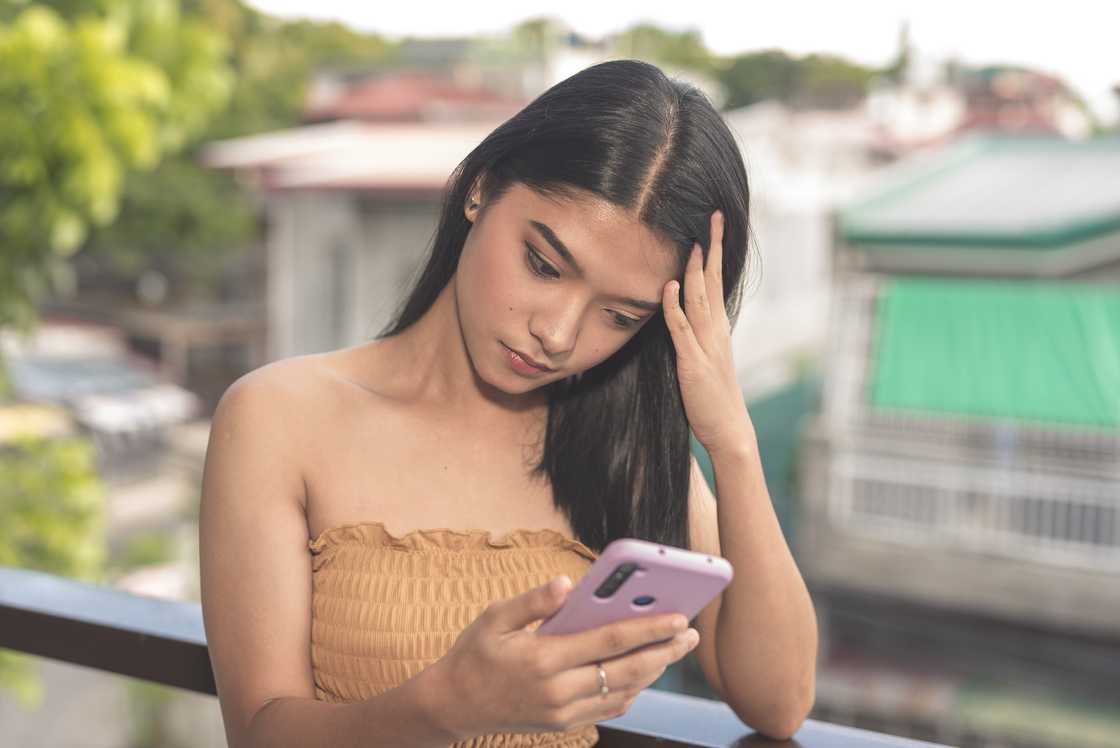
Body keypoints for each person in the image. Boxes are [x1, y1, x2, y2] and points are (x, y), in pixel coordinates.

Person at [199, 58, 816, 748]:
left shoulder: (624, 448)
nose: (557, 334)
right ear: (481, 187)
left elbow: (780, 702)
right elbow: (258, 734)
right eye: (545, 265)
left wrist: (731, 439)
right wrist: (447, 704)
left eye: (619, 316)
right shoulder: (279, 419)